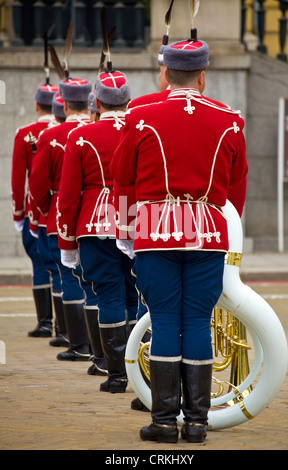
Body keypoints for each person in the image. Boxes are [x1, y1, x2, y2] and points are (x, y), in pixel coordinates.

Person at [110, 38, 248, 443]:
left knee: (166, 320)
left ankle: (165, 422)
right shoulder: (230, 119)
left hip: (154, 232)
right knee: (198, 323)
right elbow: (235, 188)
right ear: (203, 76)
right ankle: (199, 424)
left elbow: (122, 178)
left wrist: (124, 230)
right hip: (209, 231)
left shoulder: (140, 115)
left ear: (165, 74)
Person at [57, 68, 138, 393]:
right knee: (135, 293)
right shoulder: (139, 128)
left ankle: (116, 373)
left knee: (108, 295)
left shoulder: (79, 136)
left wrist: (67, 241)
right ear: (128, 100)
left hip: (93, 223)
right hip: (133, 219)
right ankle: (139, 369)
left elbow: (68, 196)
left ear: (98, 102)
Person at [29, 77, 100, 363]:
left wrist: (48, 208)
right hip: (98, 213)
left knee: (68, 276)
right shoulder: (97, 128)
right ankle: (97, 348)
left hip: (63, 209)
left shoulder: (50, 135)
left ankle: (78, 343)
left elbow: (37, 183)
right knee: (96, 281)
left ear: (65, 102)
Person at [11, 82, 58, 338]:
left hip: (37, 212)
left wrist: (19, 214)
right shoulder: (67, 130)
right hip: (64, 209)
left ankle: (45, 322)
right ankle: (64, 326)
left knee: (40, 264)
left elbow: (19, 182)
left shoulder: (25, 133)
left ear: (37, 105)